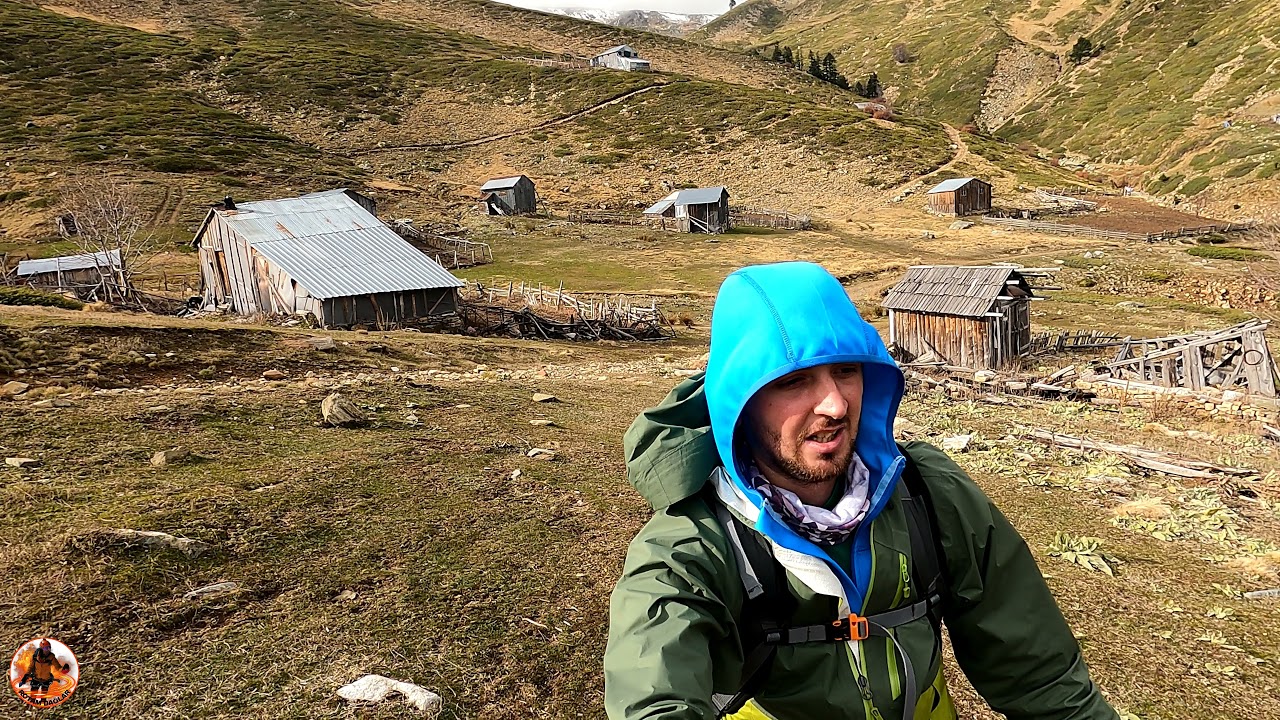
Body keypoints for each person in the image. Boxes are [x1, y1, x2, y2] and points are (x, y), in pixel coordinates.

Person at [604, 262, 1119, 720]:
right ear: (740, 401)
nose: (834, 404)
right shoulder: (692, 543)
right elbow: (653, 693)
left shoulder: (928, 492)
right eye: (794, 381)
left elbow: (1040, 674)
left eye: (847, 371)